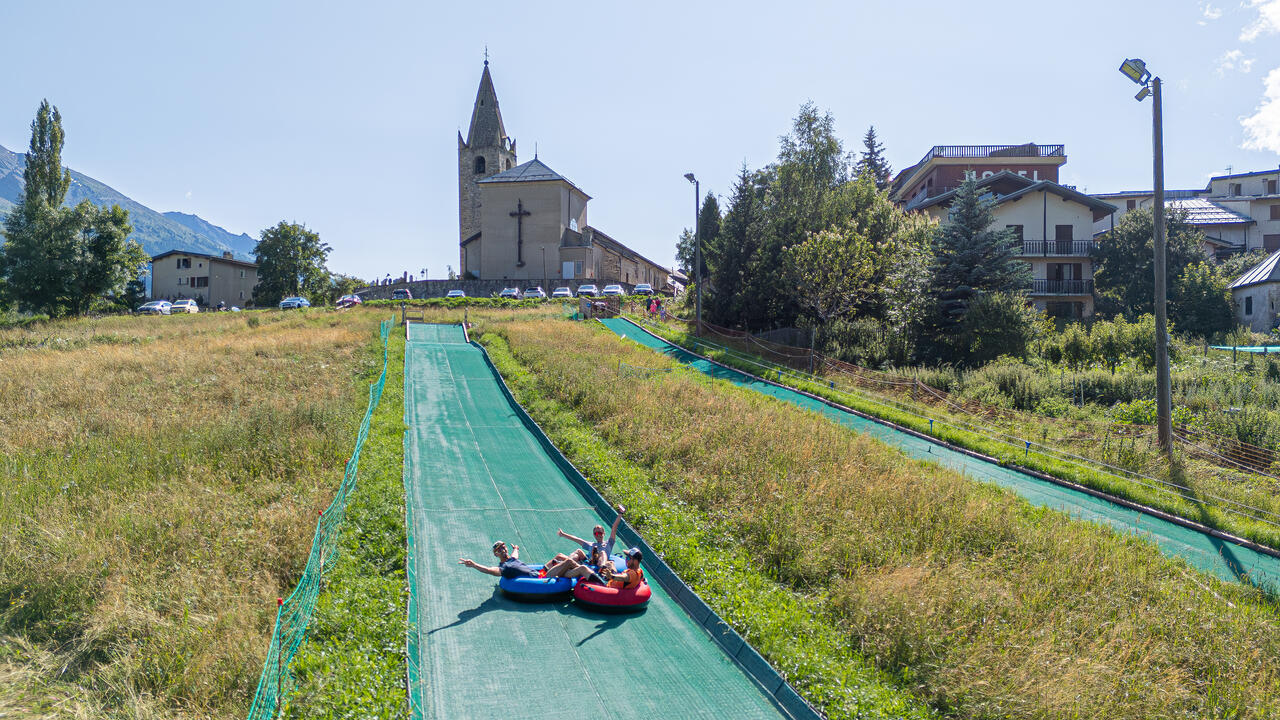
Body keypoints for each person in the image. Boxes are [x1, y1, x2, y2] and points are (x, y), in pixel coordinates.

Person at [557, 505, 625, 561]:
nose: (598, 535)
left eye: (600, 533)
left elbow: (614, 528)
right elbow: (576, 539)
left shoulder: (609, 543)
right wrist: (563, 534)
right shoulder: (590, 545)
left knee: (602, 553)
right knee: (576, 552)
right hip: (590, 564)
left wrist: (620, 513)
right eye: (596, 533)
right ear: (594, 535)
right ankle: (564, 563)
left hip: (600, 564)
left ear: (604, 534)